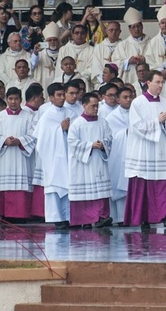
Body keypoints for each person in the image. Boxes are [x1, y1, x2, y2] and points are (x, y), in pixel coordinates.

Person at [123, 70, 166, 229]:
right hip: (145, 150)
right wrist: (157, 121)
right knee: (145, 185)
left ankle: (165, 215)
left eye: (162, 82)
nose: (161, 85)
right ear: (148, 83)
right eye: (158, 82)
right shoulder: (138, 103)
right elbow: (136, 127)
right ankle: (144, 218)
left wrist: (165, 123)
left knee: (164, 183)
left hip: (162, 149)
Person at [33, 83, 78, 229]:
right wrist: (61, 130)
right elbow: (43, 139)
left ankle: (69, 217)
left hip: (67, 155)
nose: (62, 98)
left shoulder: (70, 112)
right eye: (58, 95)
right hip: (53, 158)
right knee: (54, 188)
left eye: (63, 94)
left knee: (68, 186)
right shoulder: (47, 115)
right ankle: (57, 218)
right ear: (51, 98)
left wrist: (68, 129)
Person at [0, 87, 36, 220]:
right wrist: (4, 140)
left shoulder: (29, 116)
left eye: (16, 99)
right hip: (5, 157)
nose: (13, 101)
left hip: (21, 156)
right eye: (10, 99)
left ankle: (21, 214)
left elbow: (33, 134)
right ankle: (3, 213)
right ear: (6, 99)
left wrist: (19, 141)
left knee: (21, 185)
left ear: (21, 100)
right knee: (4, 184)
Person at [67, 92, 113, 229]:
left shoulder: (103, 122)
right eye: (93, 106)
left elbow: (110, 138)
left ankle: (101, 217)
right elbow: (72, 142)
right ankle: (85, 220)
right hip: (83, 164)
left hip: (98, 161)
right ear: (84, 105)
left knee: (100, 190)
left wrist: (103, 143)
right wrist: (90, 145)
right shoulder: (77, 124)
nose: (96, 108)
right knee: (85, 192)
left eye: (97, 106)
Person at [105, 86, 133, 224]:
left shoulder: (137, 113)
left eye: (130, 97)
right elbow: (111, 137)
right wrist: (126, 133)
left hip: (134, 155)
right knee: (121, 188)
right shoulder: (112, 117)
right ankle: (120, 218)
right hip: (119, 156)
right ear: (118, 100)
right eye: (125, 97)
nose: (129, 100)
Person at [31, 21, 61, 92]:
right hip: (43, 85)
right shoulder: (40, 54)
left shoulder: (62, 53)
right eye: (50, 40)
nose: (52, 42)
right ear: (45, 41)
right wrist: (35, 53)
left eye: (55, 40)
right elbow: (32, 66)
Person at [90, 22, 121, 87]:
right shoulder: (99, 47)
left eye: (116, 30)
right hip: (102, 82)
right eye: (111, 30)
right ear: (106, 31)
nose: (113, 32)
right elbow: (96, 65)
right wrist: (104, 79)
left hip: (119, 81)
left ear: (120, 31)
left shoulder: (123, 46)